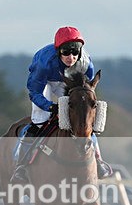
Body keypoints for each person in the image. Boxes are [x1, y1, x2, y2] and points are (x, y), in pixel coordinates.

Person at [10, 26, 113, 184]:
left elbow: (88, 89)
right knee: (40, 120)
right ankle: (22, 166)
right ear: (58, 51)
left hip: (70, 83)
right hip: (46, 83)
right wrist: (50, 106)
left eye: (75, 52)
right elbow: (34, 92)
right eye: (66, 52)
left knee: (83, 119)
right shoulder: (44, 63)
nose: (71, 57)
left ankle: (98, 160)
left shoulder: (86, 64)